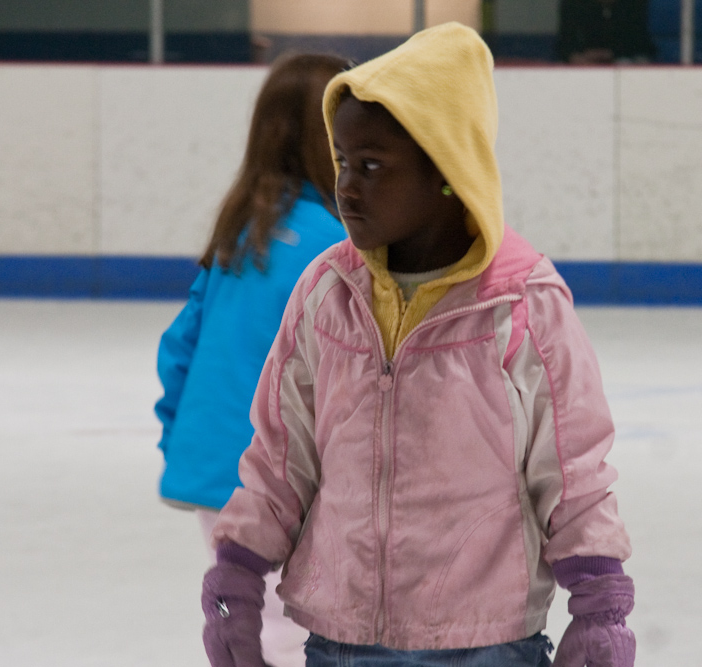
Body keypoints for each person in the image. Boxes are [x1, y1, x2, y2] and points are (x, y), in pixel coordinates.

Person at [201, 22, 636, 667]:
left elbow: (572, 471)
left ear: (446, 169)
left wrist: (600, 603)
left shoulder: (522, 306)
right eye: (343, 162)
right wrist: (237, 571)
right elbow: (280, 454)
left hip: (485, 644)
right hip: (342, 641)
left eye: (372, 166)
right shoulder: (328, 293)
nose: (346, 185)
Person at [153, 52, 349, 667]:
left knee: (249, 619)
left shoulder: (241, 230)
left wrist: (183, 440)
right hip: (282, 478)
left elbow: (180, 347)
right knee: (295, 629)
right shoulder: (337, 246)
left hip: (216, 468)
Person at [556, 0, 656, 64]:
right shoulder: (572, 4)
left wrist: (610, 54)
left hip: (624, 58)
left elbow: (640, 42)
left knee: (636, 62)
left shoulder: (634, 4)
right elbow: (565, 40)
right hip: (584, 58)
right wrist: (575, 56)